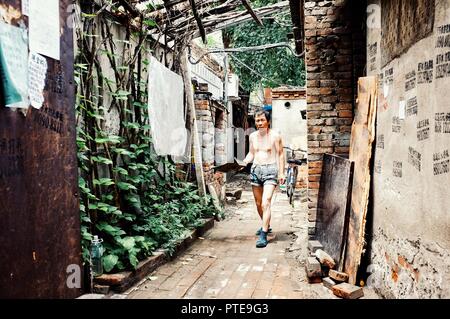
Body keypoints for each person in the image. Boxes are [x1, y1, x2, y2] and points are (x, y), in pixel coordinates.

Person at [242, 109, 285, 248]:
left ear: (268, 121)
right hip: (256, 170)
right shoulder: (253, 136)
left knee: (266, 202)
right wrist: (243, 162)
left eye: (262, 120)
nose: (259, 123)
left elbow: (280, 155)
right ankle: (266, 224)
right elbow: (251, 153)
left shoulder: (275, 136)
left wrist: (282, 173)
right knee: (258, 203)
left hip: (270, 171)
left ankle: (263, 234)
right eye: (257, 120)